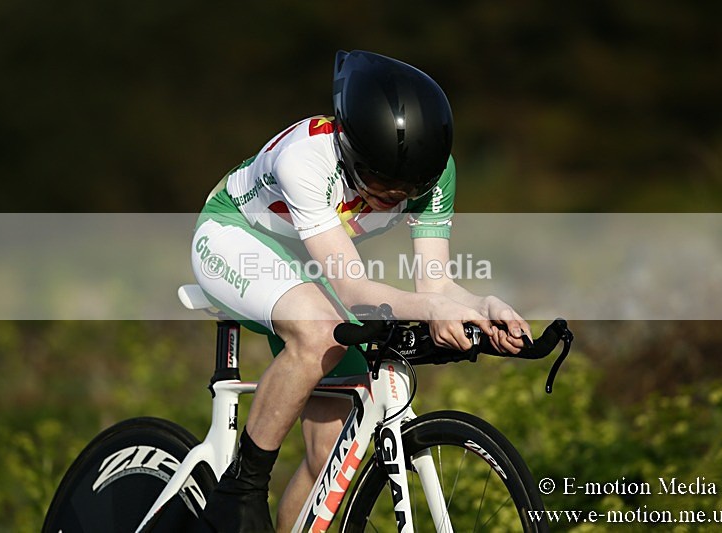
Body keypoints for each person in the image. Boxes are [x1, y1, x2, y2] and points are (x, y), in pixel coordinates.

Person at [191, 49, 532, 532]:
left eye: (408, 190)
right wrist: (434, 308)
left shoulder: (433, 173)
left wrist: (482, 306)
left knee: (330, 455)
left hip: (309, 258)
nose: (394, 198)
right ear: (351, 152)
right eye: (379, 183)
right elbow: (351, 289)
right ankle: (240, 490)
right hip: (236, 238)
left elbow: (433, 282)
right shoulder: (306, 160)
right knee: (318, 330)